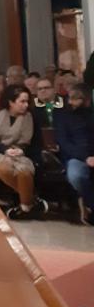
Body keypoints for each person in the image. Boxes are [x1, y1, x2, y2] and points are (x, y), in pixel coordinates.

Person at [0, 85, 45, 219]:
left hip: (24, 155)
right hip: (1, 153)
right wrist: (5, 149)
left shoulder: (31, 117)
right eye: (22, 101)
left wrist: (22, 150)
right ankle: (32, 200)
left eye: (27, 102)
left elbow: (37, 143)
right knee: (5, 169)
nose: (25, 105)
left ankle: (25, 206)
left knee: (24, 172)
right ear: (11, 102)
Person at [54, 84, 94, 224]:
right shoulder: (63, 116)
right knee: (76, 175)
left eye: (75, 99)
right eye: (69, 98)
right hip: (76, 157)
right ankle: (89, 204)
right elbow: (64, 143)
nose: (70, 102)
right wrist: (86, 157)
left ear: (87, 100)